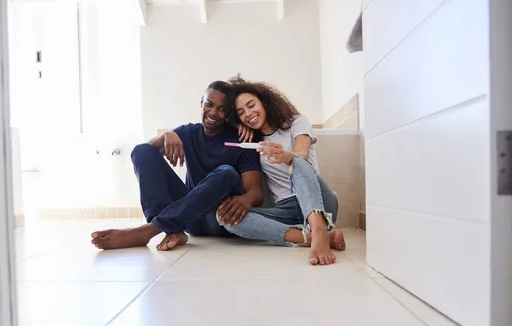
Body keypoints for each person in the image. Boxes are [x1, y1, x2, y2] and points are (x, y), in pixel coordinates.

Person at [91, 81, 263, 251]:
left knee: (227, 173)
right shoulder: (187, 132)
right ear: (201, 103)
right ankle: (168, 229)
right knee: (141, 149)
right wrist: (167, 135)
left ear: (228, 113)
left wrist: (246, 199)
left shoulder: (241, 141)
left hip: (220, 219)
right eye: (209, 105)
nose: (213, 112)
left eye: (222, 109)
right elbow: (144, 156)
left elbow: (256, 192)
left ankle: (148, 231)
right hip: (187, 219)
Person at [218, 76, 346, 265]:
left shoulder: (297, 122)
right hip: (286, 210)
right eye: (241, 112)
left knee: (297, 161)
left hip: (318, 201)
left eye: (252, 105)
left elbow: (301, 154)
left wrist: (287, 156)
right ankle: (313, 238)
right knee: (227, 219)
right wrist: (237, 125)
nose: (248, 113)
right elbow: (222, 126)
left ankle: (319, 230)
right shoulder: (255, 142)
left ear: (265, 101)